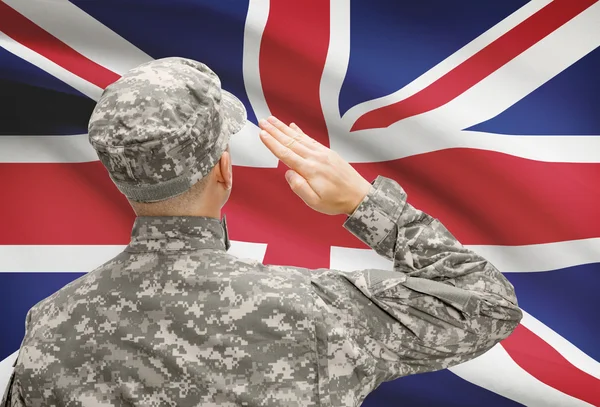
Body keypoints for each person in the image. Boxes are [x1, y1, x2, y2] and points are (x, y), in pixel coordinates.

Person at [2, 57, 522, 407]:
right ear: (224, 169)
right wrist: (367, 204)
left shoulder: (50, 324)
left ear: (118, 175)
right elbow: (488, 305)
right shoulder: (317, 310)